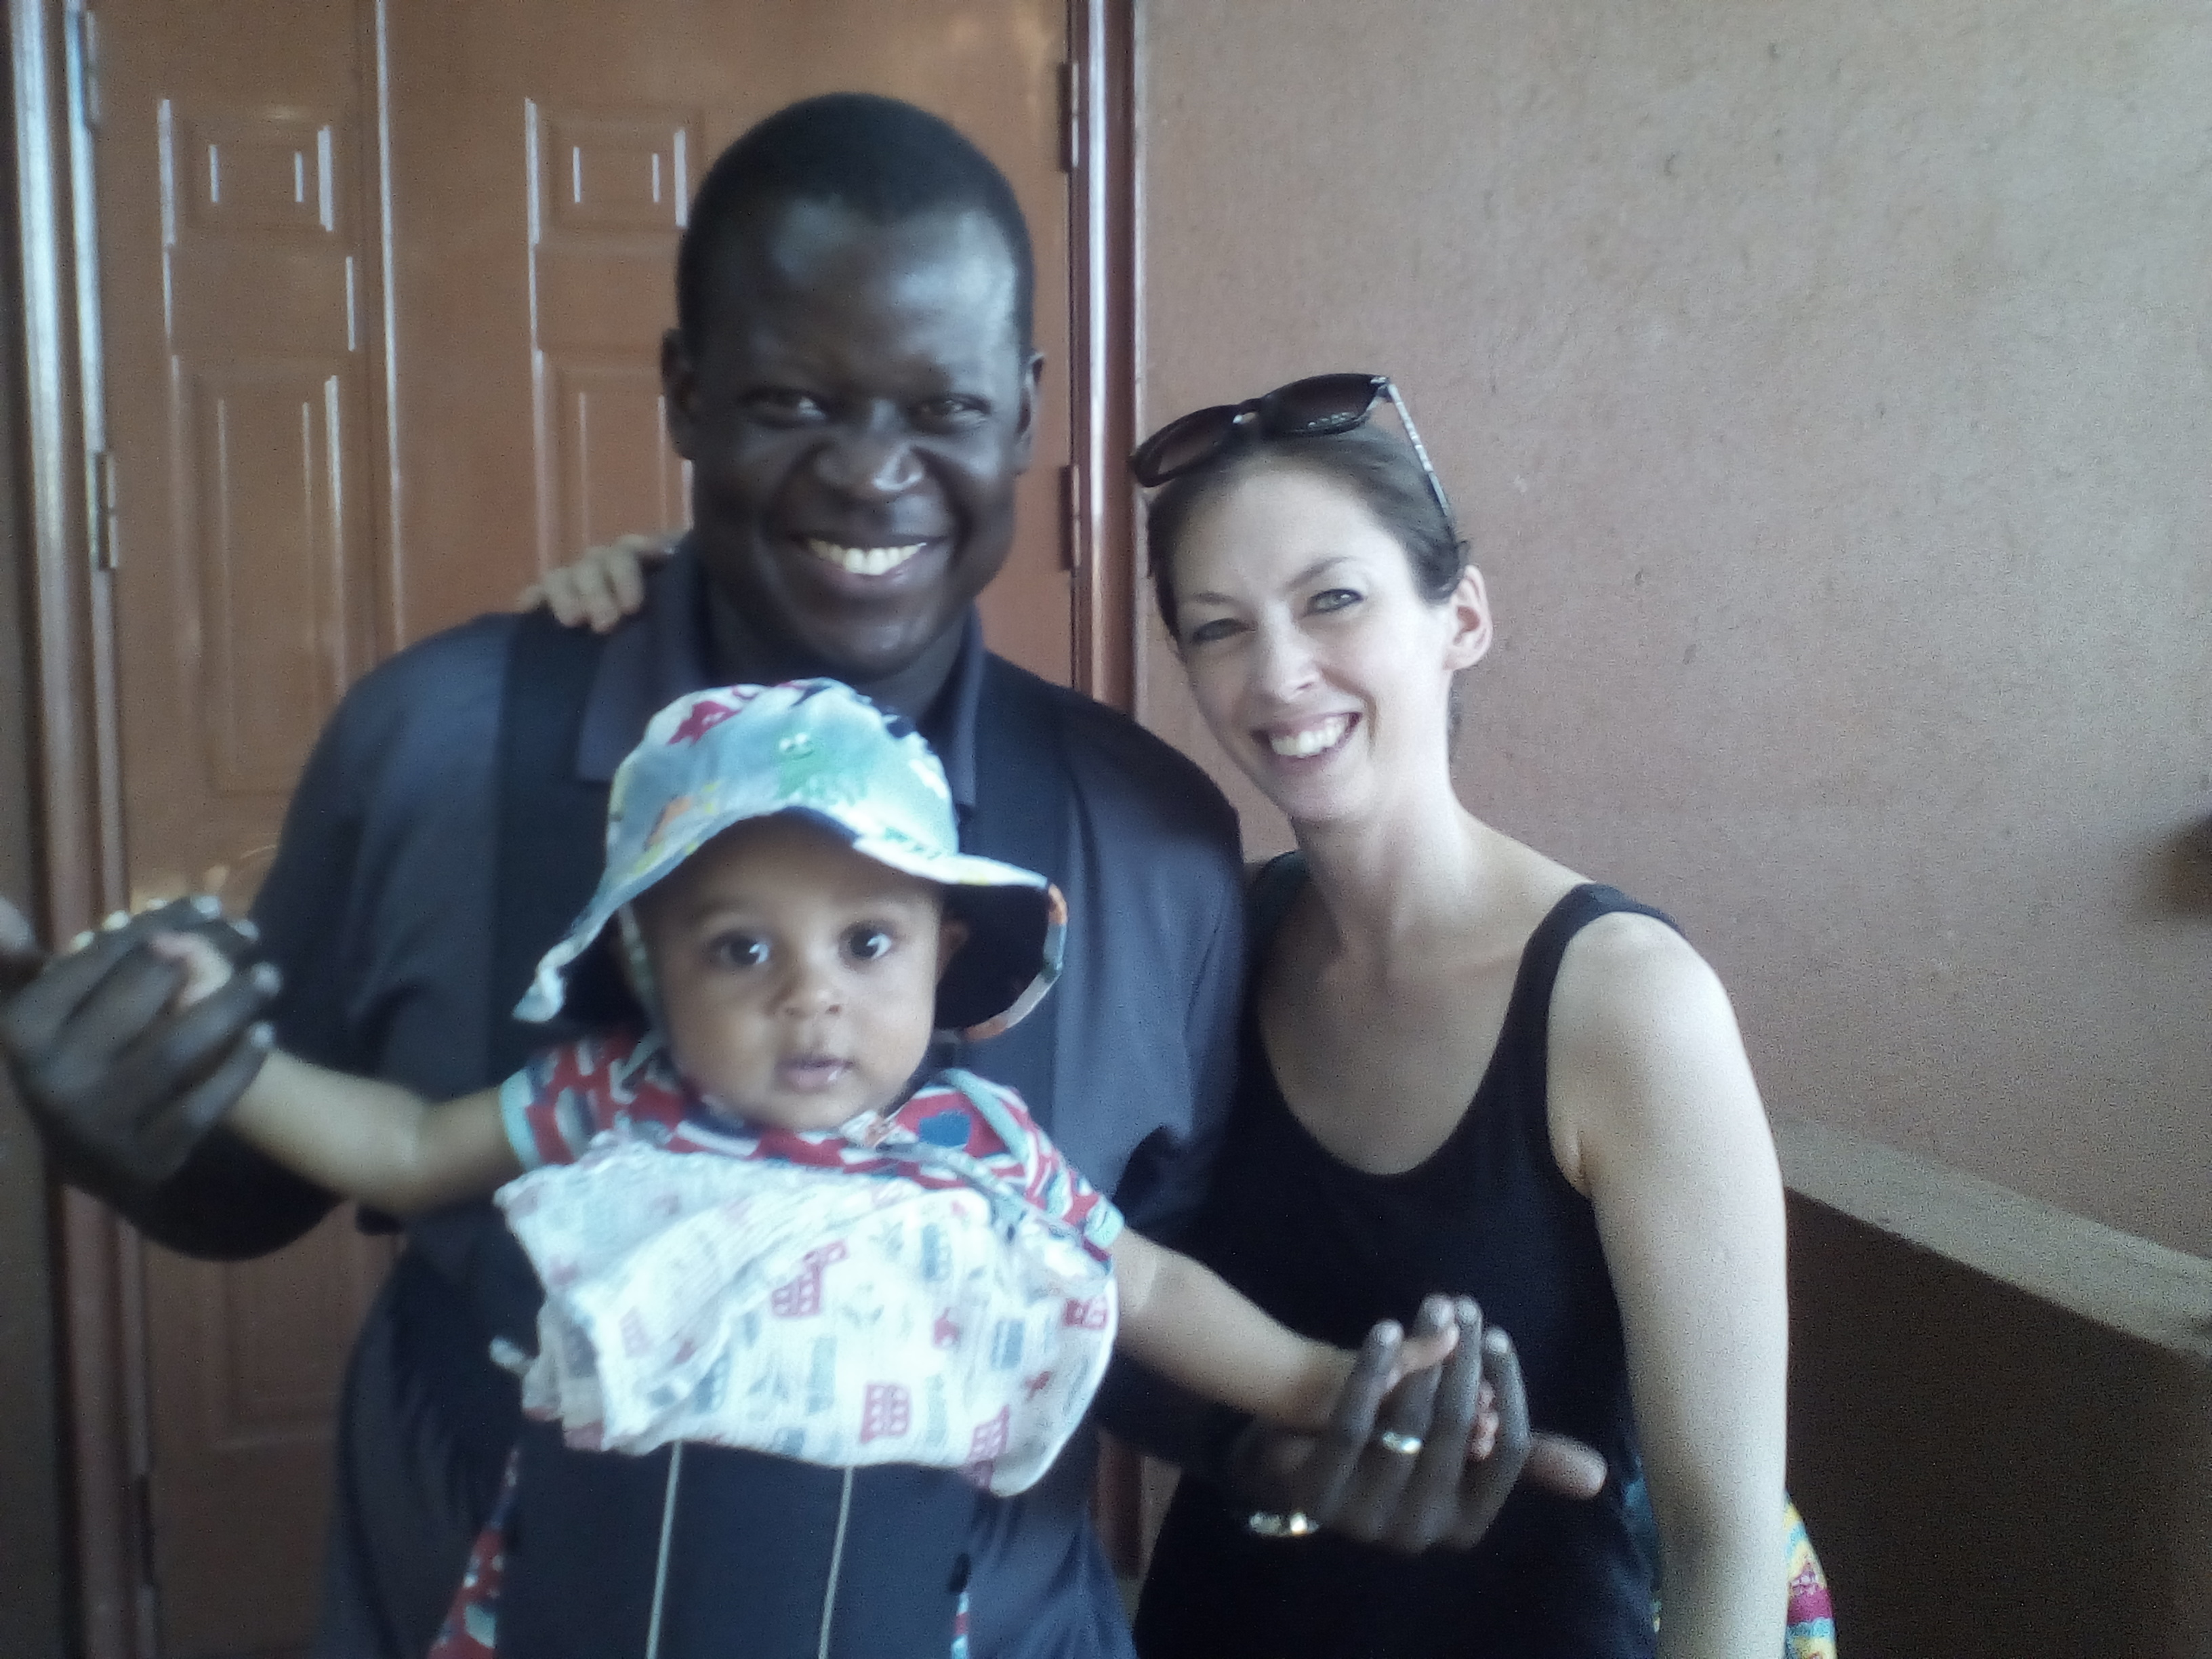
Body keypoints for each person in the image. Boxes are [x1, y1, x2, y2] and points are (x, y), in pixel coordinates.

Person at [0, 100, 1593, 1659]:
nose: (871, 473)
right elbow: (273, 1172)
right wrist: (123, 1116)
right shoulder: (436, 747)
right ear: (686, 397)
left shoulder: (1152, 846)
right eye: (789, 402)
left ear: (1022, 414)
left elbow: (1139, 1306)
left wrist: (1296, 1442)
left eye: (941, 407)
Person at [525, 371, 1791, 1657]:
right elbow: (1098, 1282)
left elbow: (1726, 1534)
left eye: (1333, 600)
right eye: (1220, 627)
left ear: (1459, 615)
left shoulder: (1628, 1003)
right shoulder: (1227, 929)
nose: (1280, 673)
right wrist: (712, 604)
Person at [152, 677, 1482, 1654]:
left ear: (944, 955)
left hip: (881, 1608)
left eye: (867, 944)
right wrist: (223, 1055)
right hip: (599, 1603)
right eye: (741, 950)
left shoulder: (978, 1150)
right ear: (648, 967)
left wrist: (1325, 1385)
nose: (811, 997)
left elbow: (1152, 1289)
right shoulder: (610, 1103)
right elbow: (400, 1146)